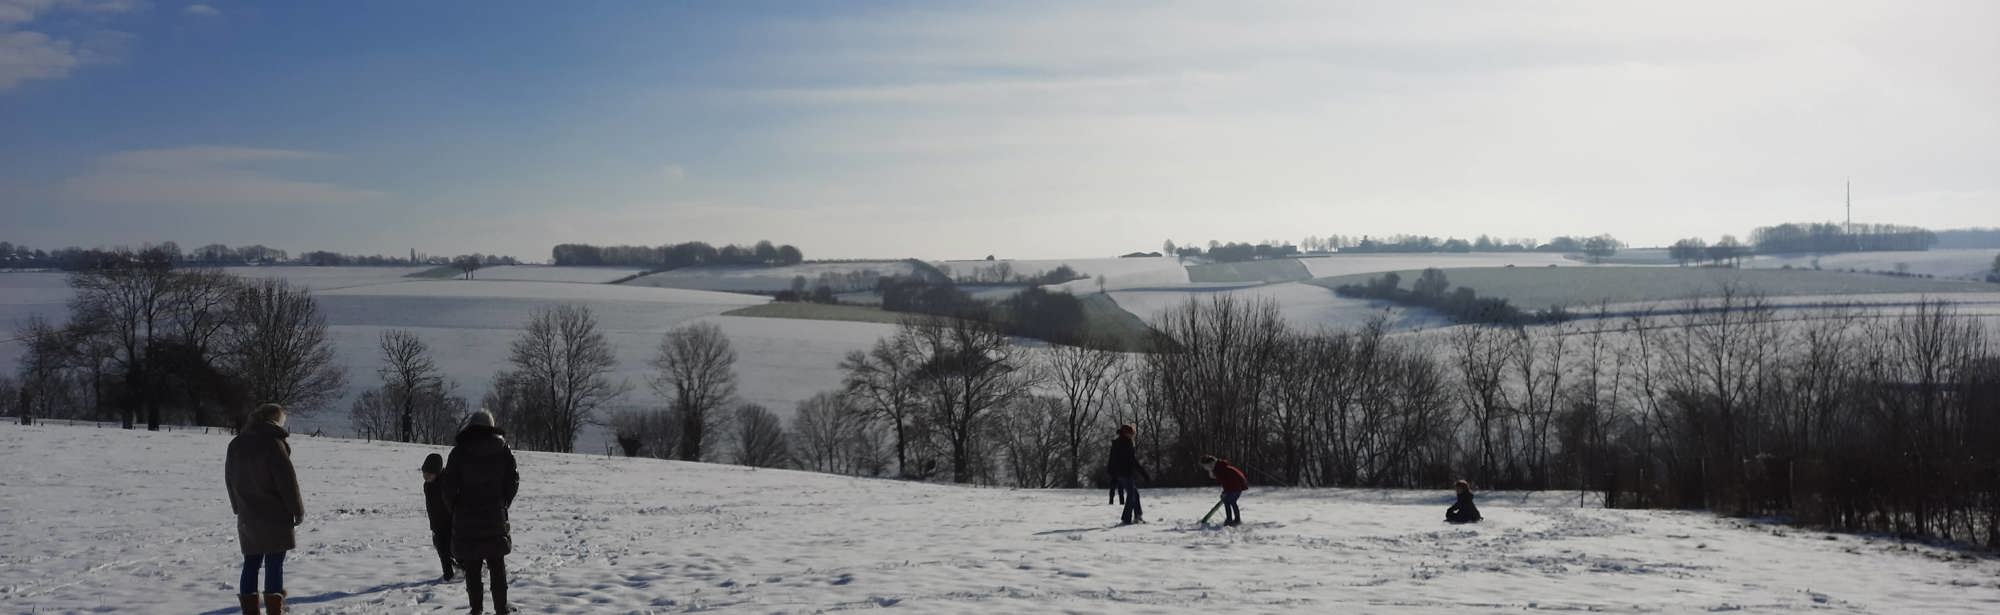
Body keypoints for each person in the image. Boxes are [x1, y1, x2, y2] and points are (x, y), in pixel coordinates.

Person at [225, 403, 304, 615]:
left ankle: (250, 612)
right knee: (274, 563)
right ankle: (274, 611)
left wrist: (237, 506)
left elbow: (229, 479)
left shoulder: (236, 444)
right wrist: (297, 510)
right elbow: (287, 482)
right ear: (275, 420)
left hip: (248, 514)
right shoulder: (273, 444)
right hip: (275, 514)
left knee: (251, 562)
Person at [441, 409, 520, 615]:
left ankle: (476, 609)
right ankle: (501, 608)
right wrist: (502, 504)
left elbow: (447, 487)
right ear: (491, 426)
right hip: (495, 515)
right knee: (497, 564)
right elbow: (512, 481)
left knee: (473, 567)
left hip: (467, 517)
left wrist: (456, 508)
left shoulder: (459, 451)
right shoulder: (503, 449)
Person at [421, 453, 456, 581]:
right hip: (437, 523)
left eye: (429, 474)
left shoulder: (446, 482)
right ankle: (448, 575)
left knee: (454, 549)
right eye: (424, 474)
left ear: (437, 472)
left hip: (451, 523)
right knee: (441, 549)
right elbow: (431, 506)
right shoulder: (427, 486)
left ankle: (467, 568)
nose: (426, 477)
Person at [1106, 424, 1150, 525]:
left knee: (1135, 494)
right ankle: (1126, 518)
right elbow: (1132, 460)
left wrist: (1112, 473)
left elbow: (1112, 459)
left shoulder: (1117, 443)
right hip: (1125, 473)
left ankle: (1138, 516)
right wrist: (1143, 473)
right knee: (1131, 495)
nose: (1133, 436)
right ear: (1127, 433)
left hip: (1121, 473)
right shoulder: (1126, 443)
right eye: (1132, 434)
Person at [1198, 455, 1249, 527]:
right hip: (1234, 486)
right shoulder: (1219, 467)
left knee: (1231, 501)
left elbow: (1226, 482)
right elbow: (1224, 481)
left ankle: (1236, 520)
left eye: (1205, 466)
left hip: (1236, 486)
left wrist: (1225, 492)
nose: (1205, 468)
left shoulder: (1220, 469)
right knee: (1227, 501)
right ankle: (1230, 519)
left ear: (1211, 463)